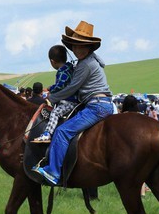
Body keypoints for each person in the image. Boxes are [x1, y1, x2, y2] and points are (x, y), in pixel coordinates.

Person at [33, 21, 114, 185]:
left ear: (89, 47)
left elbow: (72, 88)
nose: (78, 50)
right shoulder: (91, 60)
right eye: (75, 46)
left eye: (82, 46)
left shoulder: (86, 65)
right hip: (99, 103)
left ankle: (53, 172)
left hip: (96, 105)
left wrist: (50, 99)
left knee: (62, 131)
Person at [33, 45, 77, 143]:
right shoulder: (69, 68)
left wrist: (50, 89)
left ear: (52, 61)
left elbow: (59, 85)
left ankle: (47, 134)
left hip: (69, 101)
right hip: (72, 99)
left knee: (54, 113)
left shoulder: (62, 71)